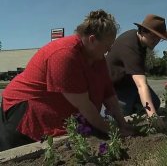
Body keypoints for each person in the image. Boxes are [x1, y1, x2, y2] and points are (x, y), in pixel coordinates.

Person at [0, 9, 133, 152]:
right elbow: (84, 106)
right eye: (107, 46)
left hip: (53, 112)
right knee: (18, 154)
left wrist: (122, 122)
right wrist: (112, 131)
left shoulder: (97, 58)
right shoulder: (64, 54)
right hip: (25, 110)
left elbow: (108, 92)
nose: (109, 50)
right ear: (92, 40)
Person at [106, 14, 167, 129]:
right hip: (114, 86)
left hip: (128, 82)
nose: (156, 41)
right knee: (117, 117)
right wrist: (152, 116)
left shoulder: (140, 42)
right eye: (153, 37)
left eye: (159, 38)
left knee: (154, 103)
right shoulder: (130, 46)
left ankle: (136, 106)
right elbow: (141, 84)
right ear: (142, 31)